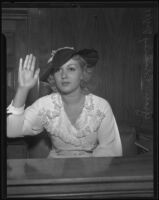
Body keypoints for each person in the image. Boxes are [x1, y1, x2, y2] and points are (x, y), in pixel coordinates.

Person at [7, 47, 123, 158]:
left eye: (71, 69)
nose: (64, 75)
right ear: (53, 76)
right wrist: (23, 89)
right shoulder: (45, 105)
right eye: (58, 70)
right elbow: (11, 131)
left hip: (91, 169)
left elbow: (109, 150)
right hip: (56, 171)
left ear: (82, 74)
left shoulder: (101, 106)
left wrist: (86, 172)